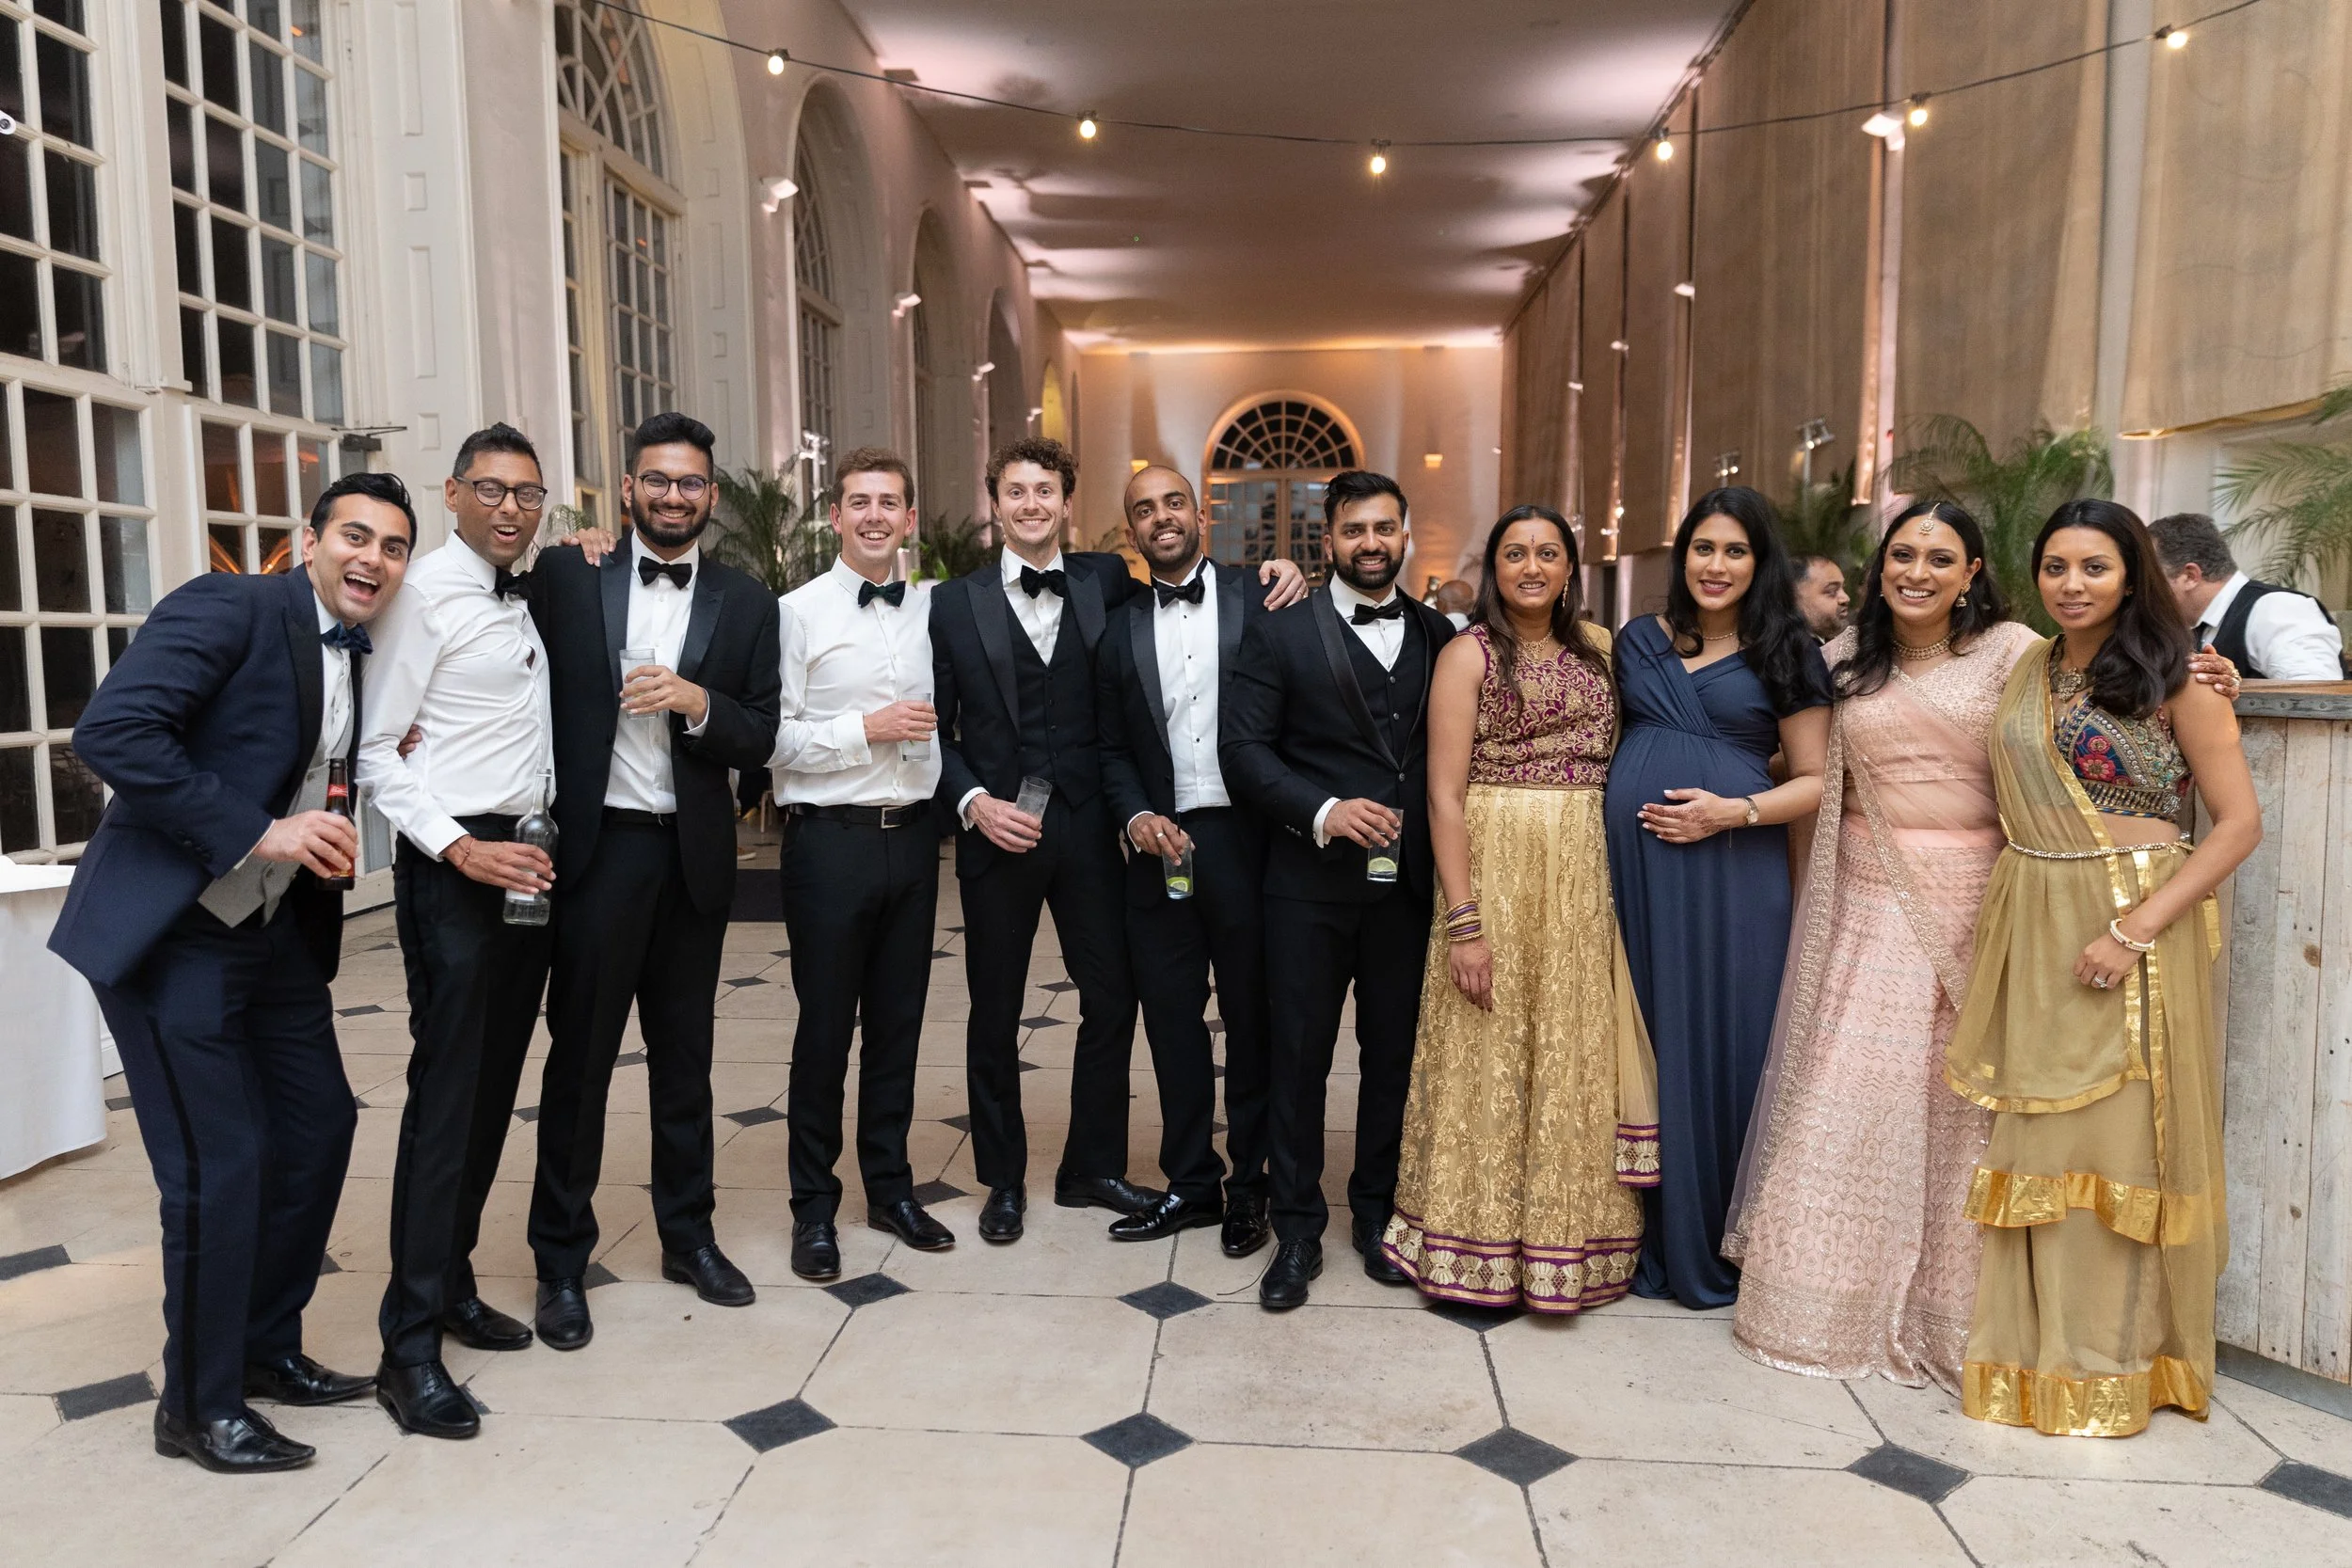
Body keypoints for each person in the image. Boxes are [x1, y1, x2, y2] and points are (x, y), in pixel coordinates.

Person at [49, 473, 413, 1472]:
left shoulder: (361, 647)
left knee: (321, 1125)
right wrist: (261, 828)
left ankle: (263, 1348)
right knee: (221, 1164)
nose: (370, 557)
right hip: (176, 933)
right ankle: (196, 1406)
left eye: (391, 545)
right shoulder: (233, 604)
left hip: (274, 932)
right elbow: (112, 731)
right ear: (309, 538)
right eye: (354, 535)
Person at [930, 437, 1303, 1245]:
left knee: (1114, 999)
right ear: (995, 503)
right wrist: (970, 800)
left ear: (1069, 506)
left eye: (1046, 491)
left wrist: (1282, 566)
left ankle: (1089, 1165)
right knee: (995, 1007)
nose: (1031, 504)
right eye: (1015, 491)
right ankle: (1002, 1177)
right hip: (1001, 829)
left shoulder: (1106, 580)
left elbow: (1206, 599)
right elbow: (935, 731)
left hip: (1100, 830)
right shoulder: (950, 602)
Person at [1949, 499, 2260, 1437]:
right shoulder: (2027, 667)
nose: (2070, 585)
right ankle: (2026, 1363)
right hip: (2033, 917)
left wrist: (2131, 931)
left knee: (2117, 1153)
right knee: (2037, 1147)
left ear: (2131, 573)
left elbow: (2236, 824)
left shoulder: (2179, 677)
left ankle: (2107, 1369)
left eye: (2092, 567)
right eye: (2054, 567)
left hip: (2135, 927)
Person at [1724, 501, 2037, 1387]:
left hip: (1976, 899)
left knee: (1956, 1100)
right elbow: (1788, 751)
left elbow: (2090, 719)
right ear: (1880, 565)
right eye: (1903, 554)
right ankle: (1821, 1300)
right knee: (1853, 1085)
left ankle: (1950, 1305)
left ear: (1973, 571)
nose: (1918, 572)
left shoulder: (2015, 652)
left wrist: (2211, 678)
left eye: (1941, 558)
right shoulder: (1841, 659)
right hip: (1865, 894)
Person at [525, 412, 782, 1348]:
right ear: (626, 489)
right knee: (581, 1061)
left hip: (693, 856)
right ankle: (559, 1258)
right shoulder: (568, 574)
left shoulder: (746, 600)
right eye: (657, 480)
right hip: (598, 853)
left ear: (711, 496)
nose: (674, 495)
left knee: (686, 1064)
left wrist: (698, 701)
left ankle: (689, 1236)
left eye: (691, 483)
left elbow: (761, 732)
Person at [1383, 506, 1656, 1312]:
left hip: (1582, 875)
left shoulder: (1603, 650)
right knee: (1488, 1044)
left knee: (1574, 1050)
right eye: (1514, 553)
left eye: (1547, 553)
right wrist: (1464, 920)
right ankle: (1474, 1244)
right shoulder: (1467, 655)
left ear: (1572, 566)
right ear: (1495, 567)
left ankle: (1564, 1244)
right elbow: (1443, 794)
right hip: (1495, 867)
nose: (1531, 567)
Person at [356, 425, 562, 1437]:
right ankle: (408, 1349)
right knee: (445, 1100)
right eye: (492, 489)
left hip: (526, 858)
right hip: (456, 867)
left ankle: (453, 1281)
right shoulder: (424, 595)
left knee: (490, 1093)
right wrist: (458, 849)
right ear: (453, 494)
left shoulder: (514, 589)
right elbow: (378, 753)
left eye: (528, 492)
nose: (512, 507)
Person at [1223, 469, 1456, 1310]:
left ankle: (1375, 1215)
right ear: (1329, 541)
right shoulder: (1281, 632)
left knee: (1392, 1060)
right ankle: (1295, 1230)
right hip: (1305, 888)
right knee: (1299, 1061)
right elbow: (1244, 753)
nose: (1370, 543)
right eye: (1353, 530)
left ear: (1405, 536)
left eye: (1383, 528)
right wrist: (1322, 810)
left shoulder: (1439, 633)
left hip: (1408, 890)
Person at [1604, 486, 1831, 1309]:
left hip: (1734, 871)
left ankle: (1716, 1239)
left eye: (1736, 550)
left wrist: (1729, 812)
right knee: (1643, 1037)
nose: (1717, 565)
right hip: (1636, 876)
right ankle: (1635, 1232)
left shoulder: (1787, 650)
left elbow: (1816, 781)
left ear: (1760, 562)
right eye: (1704, 547)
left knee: (1725, 1039)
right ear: (1682, 554)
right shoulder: (1636, 641)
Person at [770, 448, 953, 1279]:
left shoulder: (934, 611)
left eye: (890, 502)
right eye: (859, 501)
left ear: (910, 519)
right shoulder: (796, 612)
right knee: (822, 1031)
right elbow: (769, 741)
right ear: (835, 516)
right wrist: (864, 731)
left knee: (898, 1026)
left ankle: (891, 1186)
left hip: (915, 839)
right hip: (828, 842)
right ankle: (813, 1208)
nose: (875, 514)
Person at [1095, 465, 1275, 1254]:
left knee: (1252, 1020)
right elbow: (1109, 746)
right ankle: (1192, 1182)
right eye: (1144, 509)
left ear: (1199, 514)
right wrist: (1135, 815)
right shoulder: (1118, 627)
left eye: (1173, 503)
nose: (1161, 518)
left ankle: (1253, 1187)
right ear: (1130, 531)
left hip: (1249, 840)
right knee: (1171, 1022)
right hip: (1159, 848)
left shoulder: (1260, 597)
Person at [2149, 511, 2345, 681]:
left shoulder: (2276, 608)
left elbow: (2315, 700)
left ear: (2190, 576)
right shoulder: (2185, 627)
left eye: (2149, 577)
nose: (2141, 588)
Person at [1793, 553, 1851, 642]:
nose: (1846, 598)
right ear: (1795, 596)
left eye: (1843, 588)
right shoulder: (1789, 651)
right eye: (1831, 591)